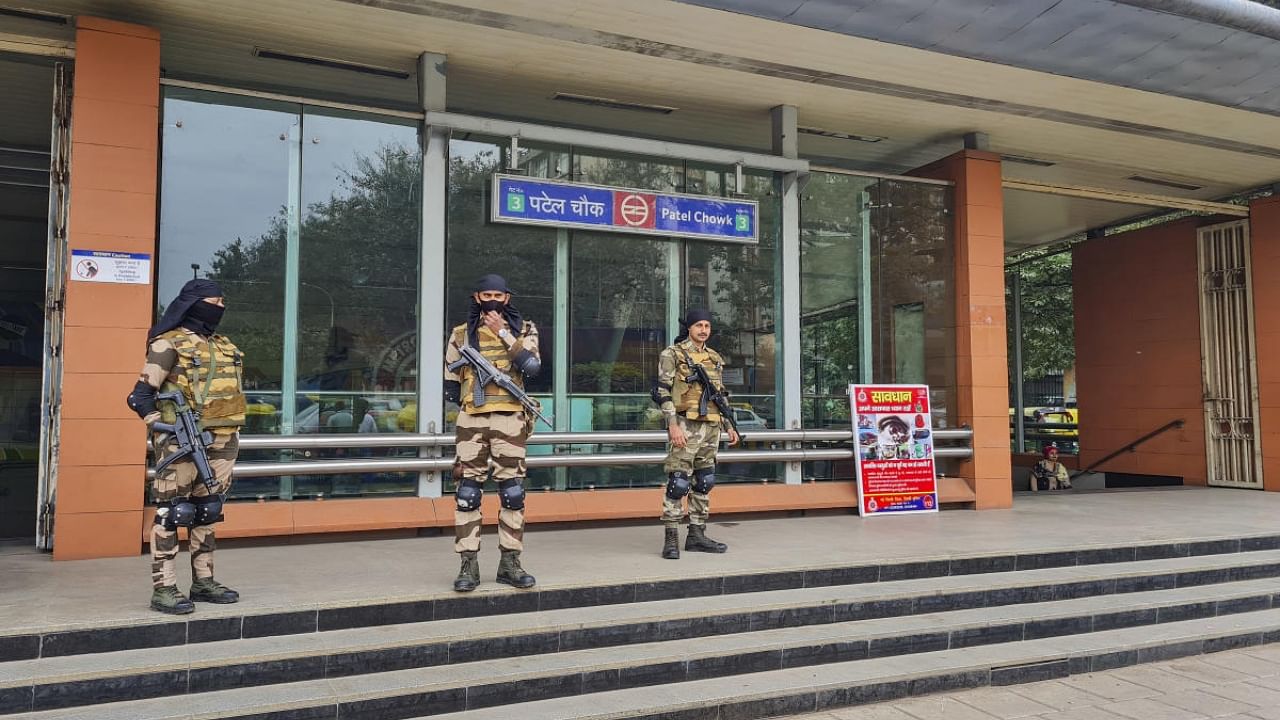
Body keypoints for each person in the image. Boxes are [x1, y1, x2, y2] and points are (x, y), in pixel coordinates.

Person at [126, 279, 243, 615]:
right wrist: (161, 428)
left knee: (208, 510)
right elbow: (140, 395)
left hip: (222, 439)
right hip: (180, 441)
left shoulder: (223, 345)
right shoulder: (168, 344)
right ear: (194, 303)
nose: (220, 306)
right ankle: (164, 588)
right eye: (214, 300)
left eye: (223, 300)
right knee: (173, 512)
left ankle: (203, 581)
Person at [443, 274, 542, 592]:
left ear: (507, 299)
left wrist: (501, 331)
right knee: (467, 493)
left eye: (498, 296)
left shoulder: (524, 330)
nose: (492, 301)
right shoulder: (461, 334)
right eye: (486, 294)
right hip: (471, 421)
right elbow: (449, 383)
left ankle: (510, 563)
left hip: (510, 421)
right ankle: (468, 565)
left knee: (513, 493)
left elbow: (532, 367)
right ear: (476, 297)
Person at [652, 309, 740, 560]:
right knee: (678, 481)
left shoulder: (714, 358)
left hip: (711, 427)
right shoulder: (673, 354)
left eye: (707, 326)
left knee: (705, 480)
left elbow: (719, 394)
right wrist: (672, 424)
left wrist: (729, 425)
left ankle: (697, 535)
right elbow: (662, 391)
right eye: (699, 325)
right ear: (689, 327)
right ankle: (671, 537)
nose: (704, 329)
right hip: (684, 425)